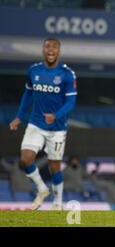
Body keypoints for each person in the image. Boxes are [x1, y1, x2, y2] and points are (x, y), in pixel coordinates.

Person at [9, 38, 77, 210]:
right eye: (48, 47)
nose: (51, 50)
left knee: (55, 167)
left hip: (57, 128)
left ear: (59, 51)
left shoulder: (67, 74)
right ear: (43, 50)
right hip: (36, 123)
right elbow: (28, 94)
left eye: (54, 47)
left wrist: (56, 115)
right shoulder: (33, 70)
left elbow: (71, 102)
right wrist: (19, 117)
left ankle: (57, 203)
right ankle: (42, 189)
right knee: (25, 158)